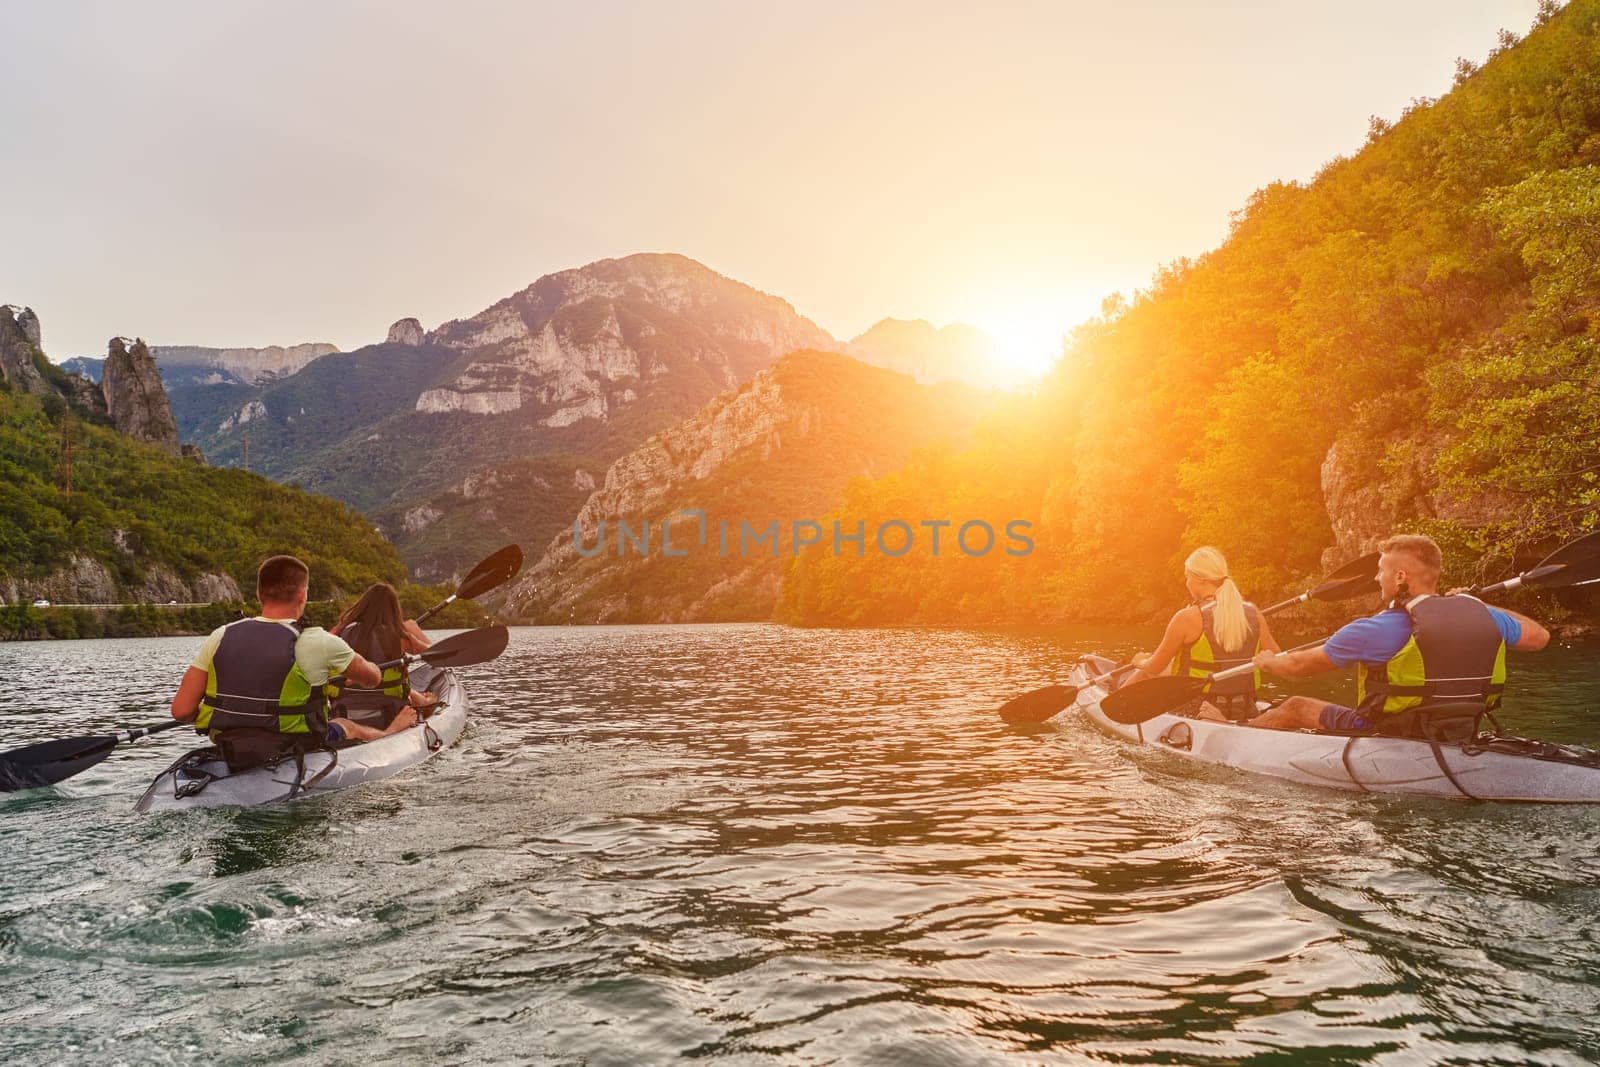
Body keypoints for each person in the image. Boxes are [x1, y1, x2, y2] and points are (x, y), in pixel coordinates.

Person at [1245, 533, 1550, 736]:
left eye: (1380, 570)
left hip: (1386, 731)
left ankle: (1238, 731)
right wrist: (1480, 604)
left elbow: (1297, 668)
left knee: (1295, 705)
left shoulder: (1374, 629)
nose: (1377, 578)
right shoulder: (1485, 615)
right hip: (1459, 729)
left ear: (1400, 577)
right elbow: (1539, 637)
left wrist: (1268, 662)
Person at [169, 555, 395, 770]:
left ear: (258, 594)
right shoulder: (321, 641)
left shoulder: (220, 635)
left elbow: (181, 711)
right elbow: (372, 679)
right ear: (302, 595)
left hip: (229, 744)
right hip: (294, 744)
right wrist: (367, 670)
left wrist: (232, 716)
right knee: (348, 726)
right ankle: (391, 736)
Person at [1122, 546, 1281, 719]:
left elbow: (1156, 666)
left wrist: (1141, 661)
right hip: (1244, 706)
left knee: (1144, 672)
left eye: (1187, 577)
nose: (1186, 582)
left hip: (1197, 707)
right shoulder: (1253, 612)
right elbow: (1278, 659)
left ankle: (1111, 710)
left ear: (1200, 579)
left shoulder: (1187, 617)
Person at [325, 582, 437, 740]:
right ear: (393, 610)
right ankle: (424, 702)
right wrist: (414, 630)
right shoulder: (398, 637)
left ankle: (422, 700)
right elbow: (437, 656)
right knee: (403, 688)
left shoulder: (338, 635)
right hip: (390, 715)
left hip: (344, 713)